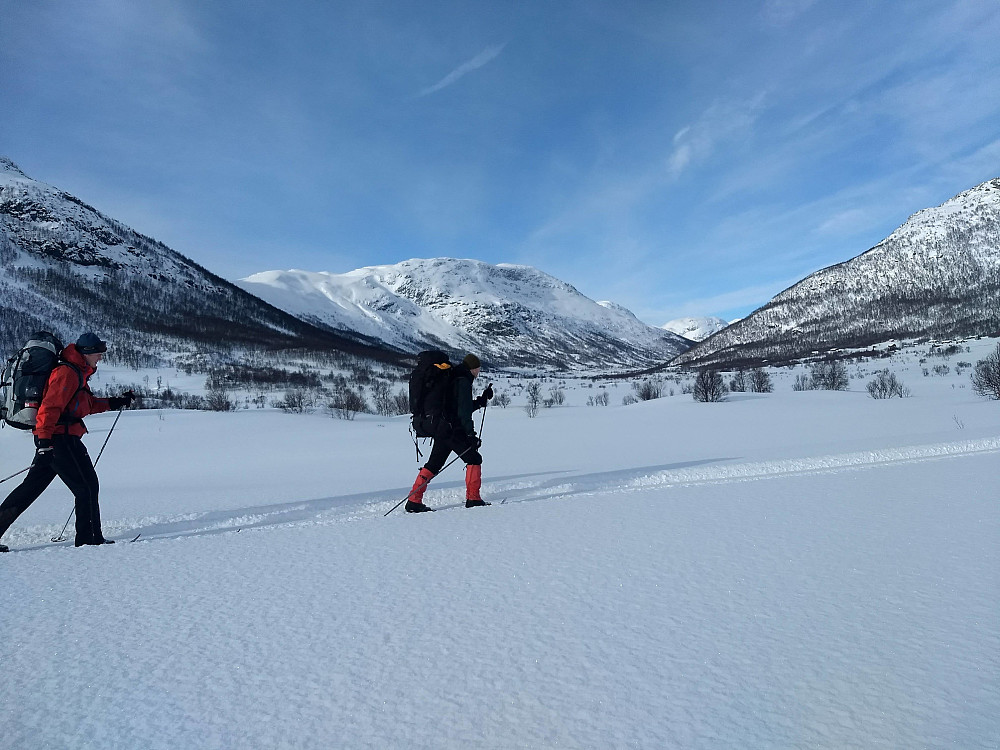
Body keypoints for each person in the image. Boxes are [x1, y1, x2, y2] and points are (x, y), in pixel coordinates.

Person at [0, 333, 134, 551]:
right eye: (99, 353)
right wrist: (44, 442)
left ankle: (90, 537)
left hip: (57, 436)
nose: (101, 357)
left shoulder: (77, 372)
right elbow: (49, 408)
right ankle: (89, 540)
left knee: (30, 489)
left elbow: (84, 405)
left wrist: (115, 401)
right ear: (87, 353)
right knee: (86, 486)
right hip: (59, 438)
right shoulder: (67, 373)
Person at [406, 353, 494, 512]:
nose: (478, 372)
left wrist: (481, 401)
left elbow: (458, 406)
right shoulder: (463, 381)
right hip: (451, 429)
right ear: (473, 368)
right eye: (478, 369)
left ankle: (413, 500)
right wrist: (470, 435)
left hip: (441, 427)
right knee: (474, 458)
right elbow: (463, 413)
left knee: (433, 464)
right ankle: (473, 499)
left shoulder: (454, 377)